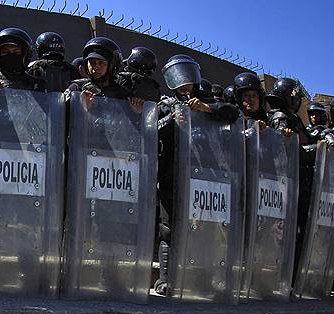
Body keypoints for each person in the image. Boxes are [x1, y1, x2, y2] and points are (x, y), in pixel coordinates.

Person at [153, 54, 240, 295]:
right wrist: (172, 119)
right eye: (178, 80)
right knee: (169, 229)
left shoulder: (209, 102)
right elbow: (154, 130)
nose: (184, 85)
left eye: (187, 78)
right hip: (173, 176)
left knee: (207, 231)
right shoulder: (166, 104)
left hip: (204, 179)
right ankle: (165, 279)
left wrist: (206, 108)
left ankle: (204, 278)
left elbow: (233, 113)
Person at [65, 37, 143, 113]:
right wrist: (80, 108)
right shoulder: (77, 88)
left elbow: (132, 124)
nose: (96, 67)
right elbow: (62, 116)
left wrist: (136, 113)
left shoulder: (124, 96)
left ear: (112, 65)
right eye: (92, 62)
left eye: (101, 62)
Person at [0, 28, 44, 92]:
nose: (11, 56)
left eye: (16, 52)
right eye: (5, 52)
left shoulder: (37, 85)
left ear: (26, 55)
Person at [265, 77, 310, 145]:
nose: (297, 100)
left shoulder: (294, 117)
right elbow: (280, 134)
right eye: (296, 97)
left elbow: (307, 138)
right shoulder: (280, 115)